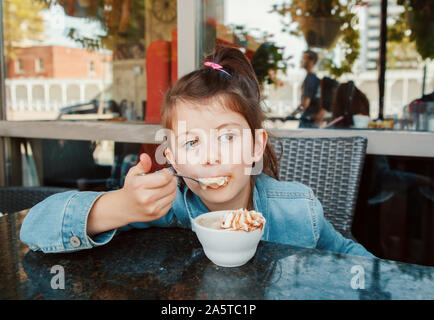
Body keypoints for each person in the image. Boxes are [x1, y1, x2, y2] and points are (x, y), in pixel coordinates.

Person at [20, 45, 373, 258]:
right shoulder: (163, 208)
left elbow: (350, 260)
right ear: (171, 158)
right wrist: (122, 206)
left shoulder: (298, 208)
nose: (210, 157)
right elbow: (34, 228)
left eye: (228, 138)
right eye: (191, 142)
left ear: (256, 146)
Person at [297, 50, 321, 128]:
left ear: (312, 61)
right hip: (312, 121)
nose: (302, 60)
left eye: (304, 58)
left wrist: (291, 115)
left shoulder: (310, 79)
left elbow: (305, 104)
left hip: (307, 121)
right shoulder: (314, 78)